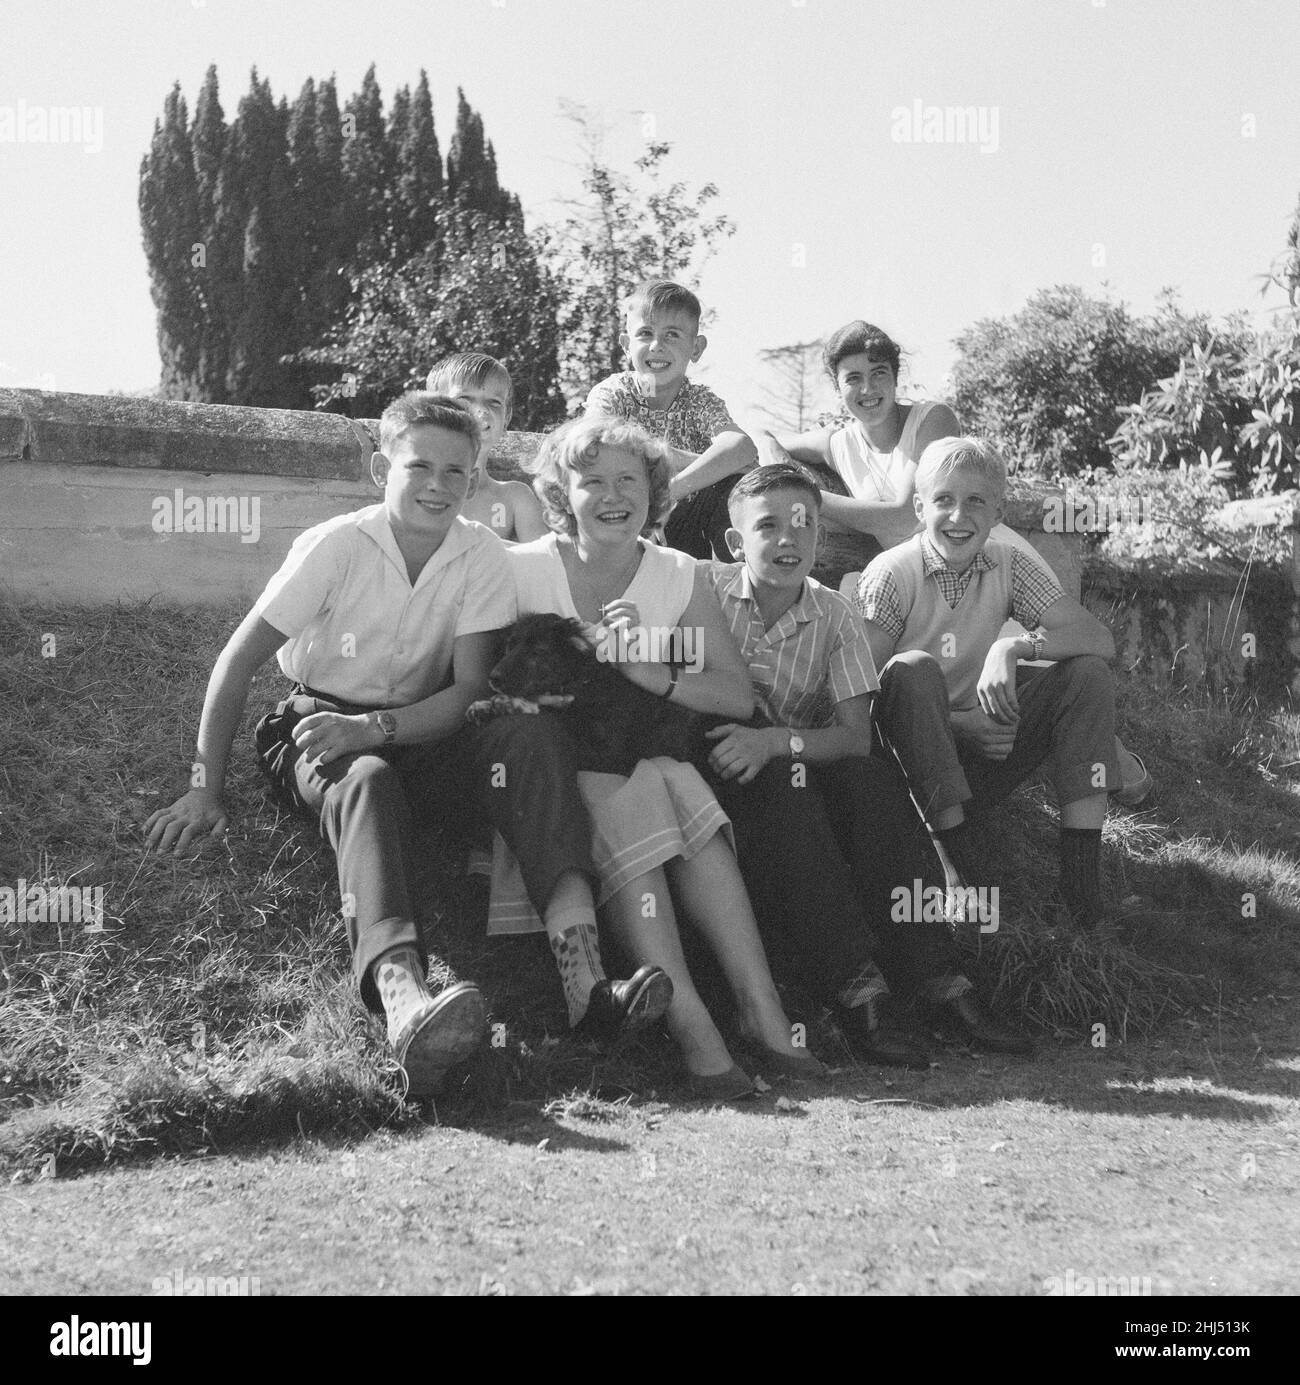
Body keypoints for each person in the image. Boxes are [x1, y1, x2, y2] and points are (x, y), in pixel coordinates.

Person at [143, 393, 670, 1100]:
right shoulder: (335, 545)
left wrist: (382, 728)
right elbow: (236, 663)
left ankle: (587, 982)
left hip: (421, 727)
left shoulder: (480, 553)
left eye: (458, 471)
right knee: (365, 779)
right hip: (318, 719)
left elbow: (467, 692)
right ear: (376, 467)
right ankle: (404, 1002)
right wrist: (205, 786)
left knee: (531, 731)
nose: (439, 484)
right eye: (419, 464)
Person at [486, 414, 824, 1098]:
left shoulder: (676, 573)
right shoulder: (519, 568)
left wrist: (650, 667)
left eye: (629, 480)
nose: (613, 497)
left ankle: (759, 1008)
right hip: (549, 780)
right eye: (592, 482)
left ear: (653, 490)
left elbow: (731, 692)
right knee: (648, 786)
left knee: (668, 778)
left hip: (634, 756)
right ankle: (697, 1028)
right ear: (560, 491)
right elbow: (481, 679)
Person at [699, 461, 1032, 1055]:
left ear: (819, 536)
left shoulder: (836, 614)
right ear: (735, 542)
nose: (787, 540)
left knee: (868, 776)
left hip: (788, 762)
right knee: (790, 784)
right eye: (768, 526)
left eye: (803, 524)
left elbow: (853, 735)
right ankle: (858, 991)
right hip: (718, 772)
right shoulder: (703, 591)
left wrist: (776, 742)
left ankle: (938, 976)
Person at [772, 319, 1152, 806]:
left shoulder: (930, 420)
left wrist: (809, 498)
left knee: (1038, 676)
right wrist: (775, 461)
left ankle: (1109, 762)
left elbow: (896, 522)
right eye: (852, 378)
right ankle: (956, 805)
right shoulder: (838, 441)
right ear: (837, 385)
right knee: (940, 684)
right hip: (930, 565)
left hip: (982, 555)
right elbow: (769, 435)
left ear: (896, 375)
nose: (867, 389)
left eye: (879, 373)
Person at [855, 436, 1121, 935]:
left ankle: (1081, 888)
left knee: (1087, 672)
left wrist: (1016, 648)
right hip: (908, 780)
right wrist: (959, 727)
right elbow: (856, 699)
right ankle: (957, 870)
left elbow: (1097, 636)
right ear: (919, 507)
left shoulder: (1008, 563)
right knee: (912, 668)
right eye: (944, 500)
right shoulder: (891, 575)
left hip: (984, 761)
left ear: (998, 510)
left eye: (976, 501)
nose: (959, 516)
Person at [585, 279, 757, 561]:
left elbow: (741, 448)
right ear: (627, 346)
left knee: (735, 486)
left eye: (672, 335)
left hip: (682, 522)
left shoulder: (699, 401)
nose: (656, 346)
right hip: (623, 511)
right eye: (645, 333)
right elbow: (598, 441)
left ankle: (735, 584)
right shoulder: (613, 393)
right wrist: (697, 460)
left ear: (696, 348)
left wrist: (671, 492)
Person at [425, 351, 548, 543]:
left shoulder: (514, 499)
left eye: (494, 402)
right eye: (464, 399)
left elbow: (544, 565)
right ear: (434, 409)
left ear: (506, 418)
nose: (482, 410)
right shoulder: (420, 490)